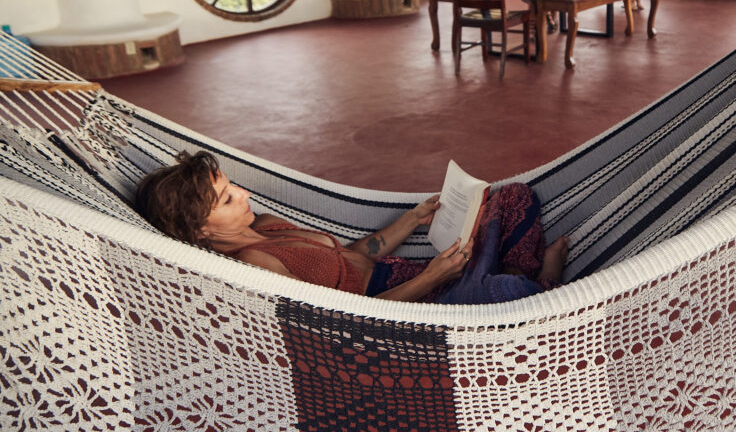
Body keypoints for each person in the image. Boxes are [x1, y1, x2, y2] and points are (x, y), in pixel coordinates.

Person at [135, 151, 568, 304]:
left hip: (413, 273)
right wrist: (434, 277)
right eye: (228, 199)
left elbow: (355, 253)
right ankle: (539, 282)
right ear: (200, 231)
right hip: (412, 304)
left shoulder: (264, 226)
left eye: (232, 185)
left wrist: (413, 218)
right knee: (506, 293)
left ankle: (513, 276)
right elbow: (352, 320)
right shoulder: (254, 263)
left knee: (513, 196)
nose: (245, 193)